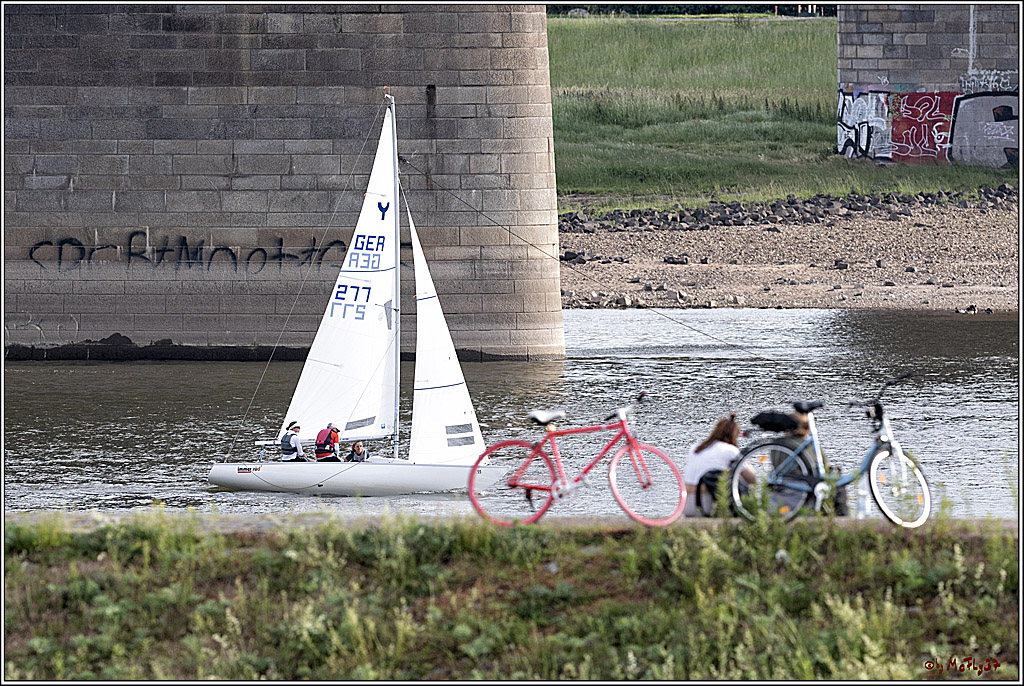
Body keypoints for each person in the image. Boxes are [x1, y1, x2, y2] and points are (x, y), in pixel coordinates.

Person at [682, 414, 752, 517]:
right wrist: (744, 460)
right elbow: (752, 478)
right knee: (744, 482)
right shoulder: (730, 450)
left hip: (685, 504)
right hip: (704, 504)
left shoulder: (695, 447)